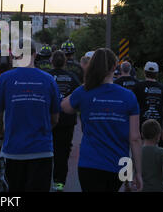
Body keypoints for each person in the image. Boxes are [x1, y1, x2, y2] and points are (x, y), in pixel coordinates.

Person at [61, 48, 142, 192]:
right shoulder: (129, 96)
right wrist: (138, 173)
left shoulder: (84, 91)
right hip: (120, 164)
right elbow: (135, 138)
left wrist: (84, 87)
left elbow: (64, 107)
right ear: (114, 67)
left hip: (89, 163)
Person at [0, 42, 61, 192]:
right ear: (35, 54)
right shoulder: (49, 80)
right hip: (42, 150)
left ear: (15, 55)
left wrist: (3, 134)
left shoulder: (5, 79)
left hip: (14, 150)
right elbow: (55, 118)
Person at [48, 50, 80, 192]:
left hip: (48, 120)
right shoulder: (72, 78)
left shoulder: (46, 77)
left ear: (52, 61)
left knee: (47, 150)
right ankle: (59, 182)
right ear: (65, 62)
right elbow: (79, 97)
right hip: (67, 121)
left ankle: (45, 178)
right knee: (63, 151)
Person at [133, 62, 163, 149]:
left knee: (141, 145)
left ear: (145, 72)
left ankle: (141, 160)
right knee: (153, 146)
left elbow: (133, 106)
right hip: (157, 121)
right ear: (156, 74)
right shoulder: (162, 88)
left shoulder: (137, 86)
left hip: (141, 121)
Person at [141, 119, 163, 192]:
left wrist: (127, 185)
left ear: (142, 134)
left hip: (141, 188)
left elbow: (127, 170)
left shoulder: (137, 152)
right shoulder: (161, 151)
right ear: (158, 135)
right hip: (157, 188)